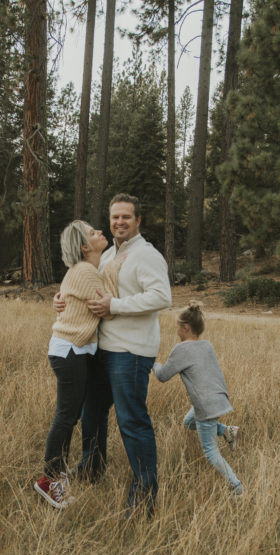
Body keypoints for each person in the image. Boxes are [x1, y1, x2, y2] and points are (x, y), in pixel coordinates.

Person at [57, 193, 172, 515]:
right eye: (115, 217)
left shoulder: (146, 255)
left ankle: (144, 496)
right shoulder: (108, 254)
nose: (119, 222)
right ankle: (92, 467)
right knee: (91, 413)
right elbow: (86, 286)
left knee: (131, 420)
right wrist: (62, 300)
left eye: (126, 217)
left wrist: (115, 305)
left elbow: (162, 296)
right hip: (102, 349)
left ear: (138, 221)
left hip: (130, 352)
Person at [35, 220, 126, 509]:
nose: (99, 231)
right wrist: (115, 268)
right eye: (92, 232)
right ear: (85, 247)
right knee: (66, 417)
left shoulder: (86, 270)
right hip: (70, 351)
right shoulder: (87, 271)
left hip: (73, 351)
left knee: (69, 416)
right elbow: (109, 310)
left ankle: (57, 481)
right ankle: (49, 481)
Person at [152, 301, 243, 495]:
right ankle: (227, 431)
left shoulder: (181, 349)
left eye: (178, 326)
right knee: (188, 422)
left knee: (210, 451)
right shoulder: (207, 345)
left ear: (186, 327)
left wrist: (153, 362)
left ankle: (237, 487)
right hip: (220, 398)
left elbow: (162, 376)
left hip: (205, 405)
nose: (176, 329)